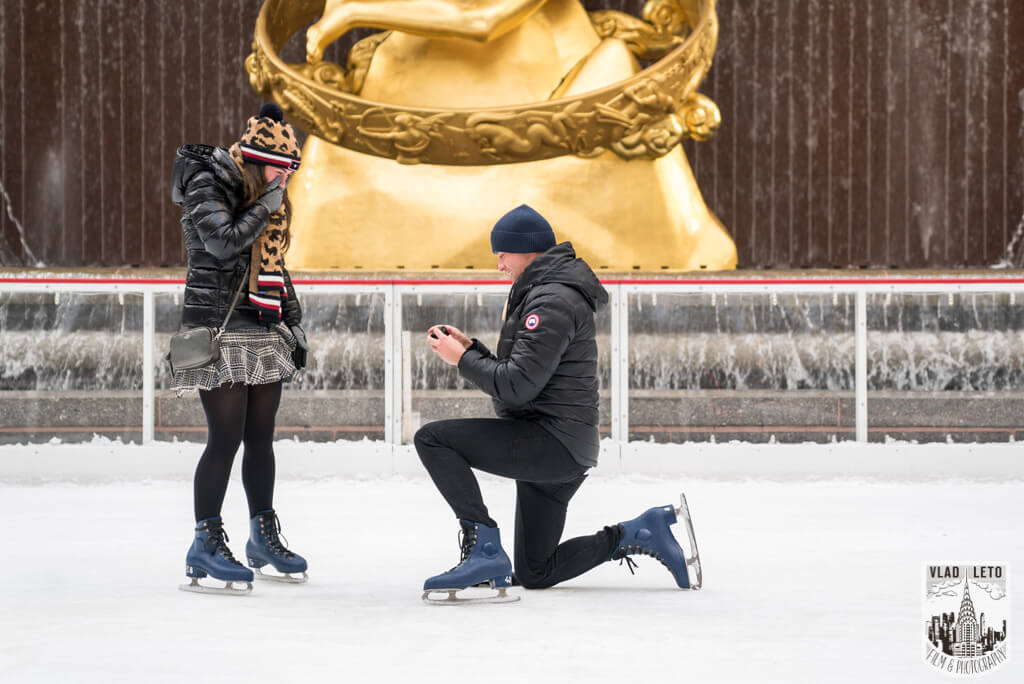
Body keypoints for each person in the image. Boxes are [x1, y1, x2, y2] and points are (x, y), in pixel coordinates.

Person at [415, 204, 700, 602]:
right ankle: (639, 532)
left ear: (526, 251)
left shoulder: (552, 301)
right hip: (560, 444)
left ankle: (482, 548)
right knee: (536, 570)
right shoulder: (546, 292)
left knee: (433, 439)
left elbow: (515, 386)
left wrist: (461, 360)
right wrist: (471, 349)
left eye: (502, 255)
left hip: (551, 443)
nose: (499, 266)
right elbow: (523, 373)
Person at [170, 103, 311, 594]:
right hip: (219, 328)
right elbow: (222, 243)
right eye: (279, 166)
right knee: (225, 439)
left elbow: (275, 265)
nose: (285, 177)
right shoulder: (207, 182)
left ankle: (262, 535)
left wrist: (294, 323)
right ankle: (205, 541)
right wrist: (265, 205)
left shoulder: (262, 195)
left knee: (261, 438)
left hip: (263, 325)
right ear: (254, 159)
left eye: (290, 169)